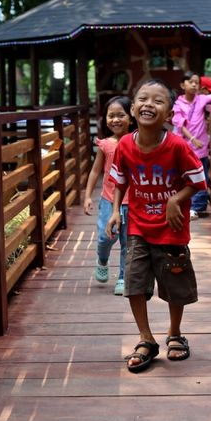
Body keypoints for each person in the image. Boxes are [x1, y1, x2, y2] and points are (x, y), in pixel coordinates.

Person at [106, 78, 207, 373]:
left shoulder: (176, 146)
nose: (149, 104)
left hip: (171, 229)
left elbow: (199, 181)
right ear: (134, 107)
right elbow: (120, 181)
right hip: (138, 225)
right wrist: (115, 211)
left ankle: (175, 334)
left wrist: (176, 199)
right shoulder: (125, 144)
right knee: (134, 281)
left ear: (170, 113)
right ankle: (146, 338)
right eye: (143, 98)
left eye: (158, 101)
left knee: (175, 284)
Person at [84, 96, 135, 295]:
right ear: (105, 119)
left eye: (120, 115)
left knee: (127, 241)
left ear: (131, 118)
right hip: (108, 199)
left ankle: (123, 277)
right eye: (111, 116)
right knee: (106, 238)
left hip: (132, 200)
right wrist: (88, 196)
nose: (115, 120)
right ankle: (102, 260)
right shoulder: (105, 144)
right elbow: (95, 171)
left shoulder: (136, 141)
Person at [171, 71, 211, 220]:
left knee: (201, 176)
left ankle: (197, 207)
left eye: (197, 82)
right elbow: (179, 124)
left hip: (200, 148)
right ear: (183, 85)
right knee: (183, 176)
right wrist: (193, 139)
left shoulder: (201, 99)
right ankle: (182, 202)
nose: (194, 85)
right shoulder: (178, 104)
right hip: (184, 146)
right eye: (191, 82)